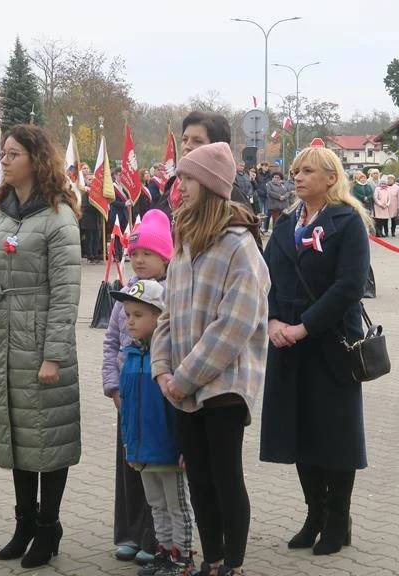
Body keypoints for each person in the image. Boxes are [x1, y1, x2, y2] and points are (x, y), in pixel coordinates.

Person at [0, 124, 82, 569]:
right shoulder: (0, 214)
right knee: (17, 435)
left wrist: (53, 354)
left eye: (12, 154)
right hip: (1, 339)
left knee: (47, 437)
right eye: (2, 153)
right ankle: (24, 523)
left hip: (40, 344)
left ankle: (48, 528)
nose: (4, 161)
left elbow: (67, 293)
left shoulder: (58, 216)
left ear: (36, 159)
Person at [151, 142, 268, 576]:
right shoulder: (184, 240)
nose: (179, 186)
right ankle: (212, 559)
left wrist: (184, 378)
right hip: (182, 381)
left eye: (187, 179)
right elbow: (168, 312)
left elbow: (233, 326)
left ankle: (232, 565)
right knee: (198, 478)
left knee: (224, 477)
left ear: (211, 185)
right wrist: (162, 369)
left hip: (224, 384)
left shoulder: (240, 246)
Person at [259, 145, 371, 556]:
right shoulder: (288, 223)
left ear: (330, 177)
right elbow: (266, 277)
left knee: (334, 435)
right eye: (296, 171)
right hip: (287, 344)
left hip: (329, 343)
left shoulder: (347, 221)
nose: (298, 177)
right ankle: (315, 513)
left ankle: (338, 518)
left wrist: (304, 327)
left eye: (308, 170)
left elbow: (350, 286)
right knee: (300, 432)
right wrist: (272, 321)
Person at [103, 210, 175, 569]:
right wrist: (112, 387)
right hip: (127, 400)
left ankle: (157, 538)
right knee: (131, 470)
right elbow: (111, 343)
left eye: (148, 253)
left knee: (162, 473)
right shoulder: (126, 293)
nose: (140, 260)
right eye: (134, 254)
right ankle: (130, 533)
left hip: (160, 401)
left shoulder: (172, 292)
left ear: (166, 255)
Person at [112, 279, 198, 576]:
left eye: (138, 315)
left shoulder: (172, 358)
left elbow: (182, 408)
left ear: (160, 317)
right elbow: (128, 410)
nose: (130, 321)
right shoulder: (131, 355)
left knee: (177, 505)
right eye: (127, 315)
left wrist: (186, 445)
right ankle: (163, 552)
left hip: (168, 451)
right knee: (157, 505)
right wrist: (129, 445)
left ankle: (183, 557)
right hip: (143, 450)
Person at [153, 111, 252, 218]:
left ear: (218, 149)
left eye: (197, 141)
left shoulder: (231, 201)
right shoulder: (171, 190)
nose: (187, 146)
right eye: (185, 139)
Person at [372, 173, 393, 237]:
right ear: (380, 184)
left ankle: (385, 232)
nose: (383, 185)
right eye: (382, 183)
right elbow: (375, 197)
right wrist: (380, 204)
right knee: (378, 221)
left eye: (384, 184)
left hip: (385, 207)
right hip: (378, 207)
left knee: (385, 221)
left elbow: (389, 198)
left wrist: (387, 204)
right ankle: (379, 233)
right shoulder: (377, 189)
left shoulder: (388, 189)